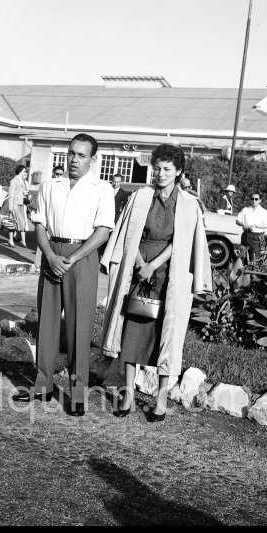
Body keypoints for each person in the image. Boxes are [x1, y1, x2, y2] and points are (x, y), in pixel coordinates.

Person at [100, 143, 212, 422]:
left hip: (168, 273)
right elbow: (129, 231)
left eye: (167, 169)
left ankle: (160, 397)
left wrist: (152, 265)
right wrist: (140, 263)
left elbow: (183, 242)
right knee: (131, 327)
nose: (160, 174)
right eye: (157, 168)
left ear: (179, 172)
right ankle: (127, 394)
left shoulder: (188, 204)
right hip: (137, 268)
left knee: (167, 332)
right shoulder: (140, 197)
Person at [13, 133, 115, 417]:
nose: (74, 159)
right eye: (71, 153)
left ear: (92, 160)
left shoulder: (102, 189)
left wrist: (72, 258)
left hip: (81, 256)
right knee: (46, 320)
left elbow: (103, 230)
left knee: (79, 325)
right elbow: (40, 224)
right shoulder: (50, 185)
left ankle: (78, 392)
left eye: (81, 155)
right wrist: (50, 255)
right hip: (52, 253)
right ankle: (42, 384)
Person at [236, 193, 267, 263]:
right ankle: (242, 272)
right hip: (245, 235)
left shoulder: (263, 212)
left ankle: (253, 273)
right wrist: (243, 224)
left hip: (257, 237)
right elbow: (237, 221)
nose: (254, 201)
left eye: (256, 199)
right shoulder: (245, 210)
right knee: (243, 257)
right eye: (252, 199)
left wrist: (255, 225)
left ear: (260, 200)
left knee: (255, 258)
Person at [6, 164, 31, 247]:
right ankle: (11, 240)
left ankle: (21, 241)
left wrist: (24, 193)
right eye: (24, 171)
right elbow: (11, 195)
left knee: (21, 223)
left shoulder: (21, 181)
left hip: (20, 204)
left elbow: (19, 192)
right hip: (14, 205)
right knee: (12, 223)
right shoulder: (14, 181)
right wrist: (10, 207)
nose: (25, 173)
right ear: (20, 171)